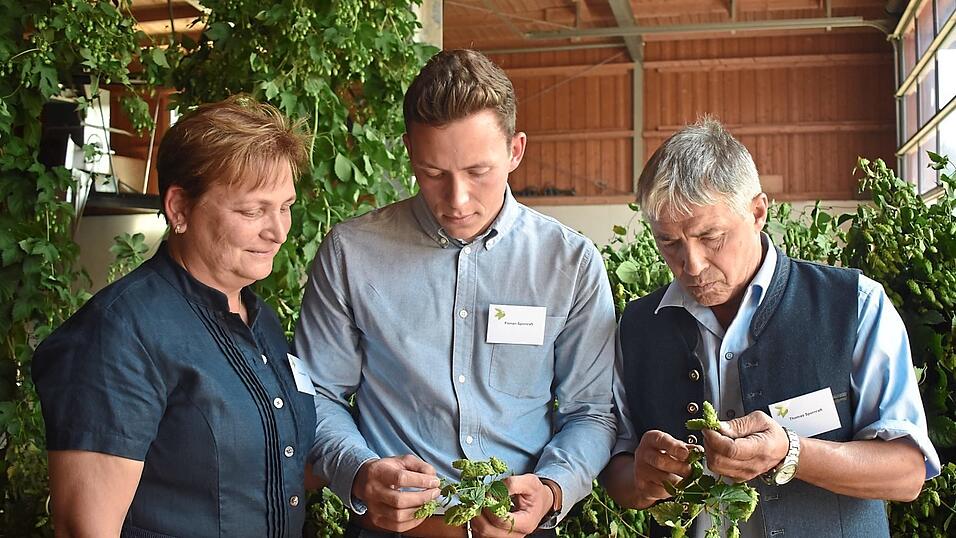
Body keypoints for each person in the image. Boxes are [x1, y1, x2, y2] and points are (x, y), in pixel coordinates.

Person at [294, 49, 617, 538]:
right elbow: (318, 391)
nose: (457, 200)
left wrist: (551, 489)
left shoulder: (569, 264)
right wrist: (359, 472)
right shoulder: (351, 253)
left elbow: (591, 412)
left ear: (516, 150)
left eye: (477, 171)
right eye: (433, 173)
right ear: (409, 152)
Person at [602, 117, 940, 537]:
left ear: (758, 211)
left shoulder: (852, 304)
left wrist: (791, 452)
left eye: (711, 237)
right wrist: (640, 479)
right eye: (669, 242)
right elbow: (617, 470)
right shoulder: (637, 326)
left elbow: (907, 472)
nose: (692, 265)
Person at [33, 95, 316, 538]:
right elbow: (84, 528)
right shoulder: (120, 332)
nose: (278, 231)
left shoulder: (260, 323)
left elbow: (264, 470)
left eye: (285, 206)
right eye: (253, 210)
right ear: (180, 208)